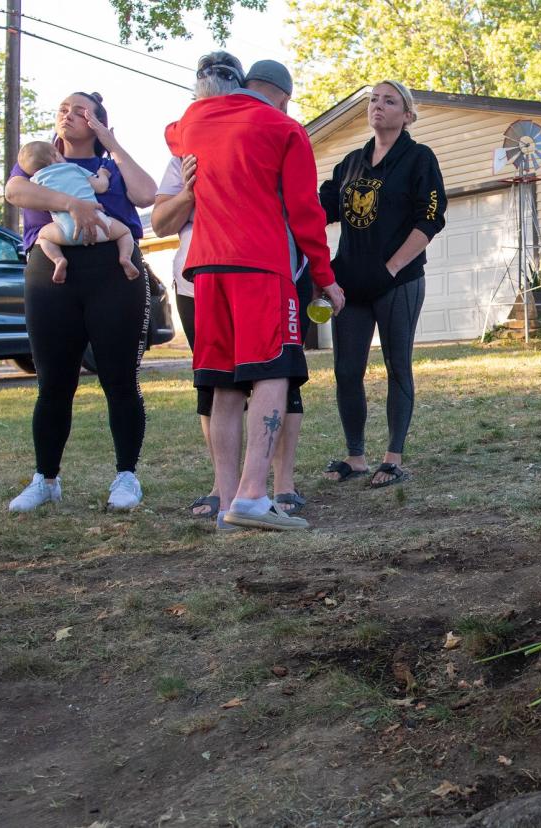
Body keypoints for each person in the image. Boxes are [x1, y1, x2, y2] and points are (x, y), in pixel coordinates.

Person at [165, 59, 344, 531]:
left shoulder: (192, 121)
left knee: (222, 381)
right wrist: (325, 277)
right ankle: (253, 495)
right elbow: (306, 212)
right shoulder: (284, 127)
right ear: (284, 96)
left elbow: (172, 133)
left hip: (205, 265)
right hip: (262, 265)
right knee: (274, 371)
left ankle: (227, 502)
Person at [4, 92, 156, 512]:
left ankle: (126, 477)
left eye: (79, 110)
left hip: (114, 272)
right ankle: (45, 479)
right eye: (62, 109)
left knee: (120, 379)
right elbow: (14, 191)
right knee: (53, 383)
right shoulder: (39, 161)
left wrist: (113, 144)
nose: (66, 115)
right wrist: (72, 203)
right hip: (53, 271)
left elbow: (146, 195)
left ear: (98, 122)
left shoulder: (111, 165)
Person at [319, 80, 446, 488]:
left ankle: (392, 456)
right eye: (374, 99)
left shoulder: (419, 158)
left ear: (407, 115)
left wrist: (391, 268)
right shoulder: (352, 162)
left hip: (398, 280)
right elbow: (318, 209)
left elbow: (431, 218)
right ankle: (355, 457)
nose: (379, 106)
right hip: (350, 283)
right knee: (346, 370)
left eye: (389, 101)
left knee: (397, 365)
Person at [16, 141, 139, 283]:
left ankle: (58, 259)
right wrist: (103, 173)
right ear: (56, 155)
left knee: (43, 236)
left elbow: (33, 200)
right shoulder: (74, 168)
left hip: (67, 232)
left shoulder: (35, 181)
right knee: (124, 232)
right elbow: (101, 187)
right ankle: (125, 257)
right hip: (100, 225)